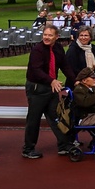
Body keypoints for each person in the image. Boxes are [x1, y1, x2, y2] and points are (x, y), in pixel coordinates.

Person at [23, 25, 76, 159]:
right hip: (37, 88)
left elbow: (64, 65)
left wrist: (75, 80)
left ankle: (64, 145)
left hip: (51, 88)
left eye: (50, 35)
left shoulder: (58, 49)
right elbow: (36, 70)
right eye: (45, 35)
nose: (46, 37)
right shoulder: (37, 50)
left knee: (57, 116)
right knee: (34, 119)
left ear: (56, 37)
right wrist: (51, 80)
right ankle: (28, 149)